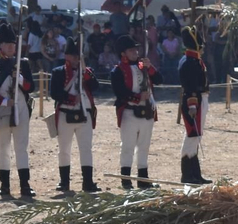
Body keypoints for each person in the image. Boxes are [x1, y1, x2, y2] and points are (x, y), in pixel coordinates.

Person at [0, 23, 35, 199]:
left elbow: (30, 87)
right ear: (1, 46)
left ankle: (25, 185)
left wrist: (18, 77)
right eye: (7, 44)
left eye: (13, 44)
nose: (11, 47)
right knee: (3, 148)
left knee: (22, 148)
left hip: (21, 111)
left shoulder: (23, 64)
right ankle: (4, 186)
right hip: (2, 111)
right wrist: (4, 101)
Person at [111, 33, 161, 189]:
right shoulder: (118, 70)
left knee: (144, 145)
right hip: (129, 112)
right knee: (128, 146)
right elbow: (120, 92)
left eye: (136, 50)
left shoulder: (143, 66)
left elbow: (159, 80)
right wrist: (138, 97)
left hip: (147, 111)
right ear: (123, 53)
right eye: (131, 50)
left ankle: (143, 179)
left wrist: (150, 67)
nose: (136, 53)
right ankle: (125, 179)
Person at [49, 40, 99, 193]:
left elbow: (96, 87)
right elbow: (55, 93)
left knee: (86, 148)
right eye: (73, 55)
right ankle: (64, 182)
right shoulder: (59, 72)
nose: (76, 58)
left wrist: (84, 71)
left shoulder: (86, 72)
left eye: (78, 55)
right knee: (64, 149)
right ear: (66, 56)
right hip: (65, 113)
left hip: (84, 114)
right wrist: (70, 99)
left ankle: (88, 182)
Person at [175, 25, 211, 185]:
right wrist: (192, 105)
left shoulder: (194, 60)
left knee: (195, 136)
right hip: (194, 101)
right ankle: (187, 174)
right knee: (192, 136)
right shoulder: (189, 62)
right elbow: (189, 87)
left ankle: (195, 174)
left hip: (200, 99)